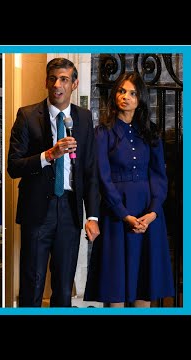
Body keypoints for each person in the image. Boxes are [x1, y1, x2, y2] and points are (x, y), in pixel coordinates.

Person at [7, 57, 100, 307]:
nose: (57, 85)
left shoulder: (83, 117)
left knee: (63, 287)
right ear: (46, 82)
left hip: (70, 211)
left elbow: (90, 171)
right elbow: (13, 167)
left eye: (64, 79)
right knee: (32, 284)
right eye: (53, 79)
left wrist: (92, 217)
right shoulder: (27, 116)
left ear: (74, 84)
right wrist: (49, 155)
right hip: (37, 212)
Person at [84, 72, 175, 307]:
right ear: (115, 95)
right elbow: (102, 178)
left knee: (145, 285)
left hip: (149, 215)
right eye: (122, 91)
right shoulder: (102, 132)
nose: (126, 97)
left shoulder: (151, 132)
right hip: (117, 216)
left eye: (132, 93)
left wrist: (153, 212)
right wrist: (124, 214)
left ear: (140, 99)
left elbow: (159, 176)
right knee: (115, 289)